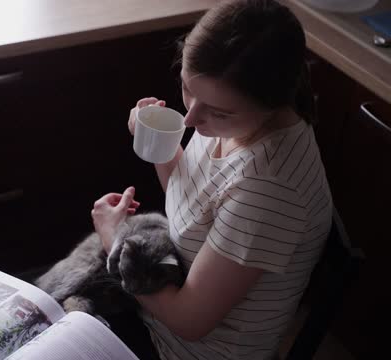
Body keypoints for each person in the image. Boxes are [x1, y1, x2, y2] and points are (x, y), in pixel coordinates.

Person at [90, 1, 333, 359]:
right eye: (188, 88)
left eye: (216, 110)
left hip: (182, 348)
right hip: (159, 302)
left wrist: (115, 241)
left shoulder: (270, 190)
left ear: (271, 102)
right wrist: (159, 143)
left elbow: (190, 321)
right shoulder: (235, 119)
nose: (190, 119)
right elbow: (195, 201)